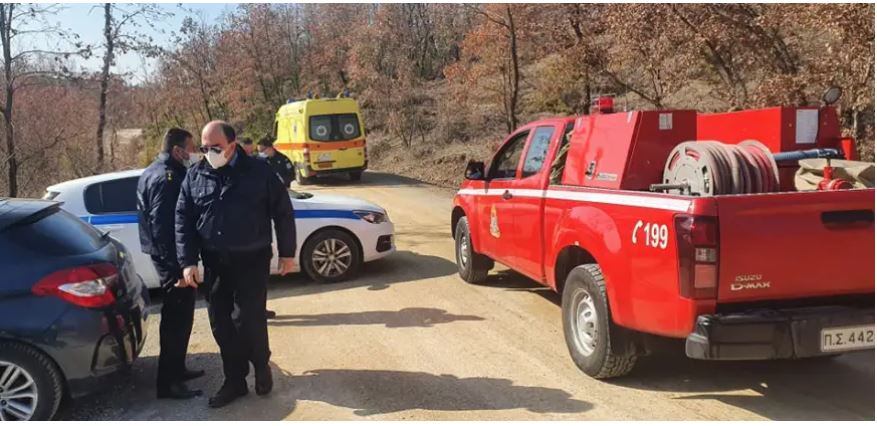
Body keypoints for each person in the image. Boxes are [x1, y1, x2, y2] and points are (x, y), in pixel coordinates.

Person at [175, 120, 296, 408]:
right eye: (204, 147)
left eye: (215, 147)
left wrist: (287, 253)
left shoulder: (258, 171)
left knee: (249, 319)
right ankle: (235, 380)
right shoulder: (196, 174)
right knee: (221, 322)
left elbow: (283, 212)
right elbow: (183, 219)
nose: (209, 153)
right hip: (215, 261)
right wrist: (187, 261)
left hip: (252, 257)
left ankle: (261, 365)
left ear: (232, 145)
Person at [136, 128, 204, 400]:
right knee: (175, 322)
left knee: (182, 318)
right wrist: (177, 270)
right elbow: (164, 228)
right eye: (191, 148)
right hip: (172, 264)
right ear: (178, 150)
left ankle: (178, 369)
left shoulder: (156, 170)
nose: (194, 154)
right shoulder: (168, 179)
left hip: (170, 260)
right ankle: (168, 384)